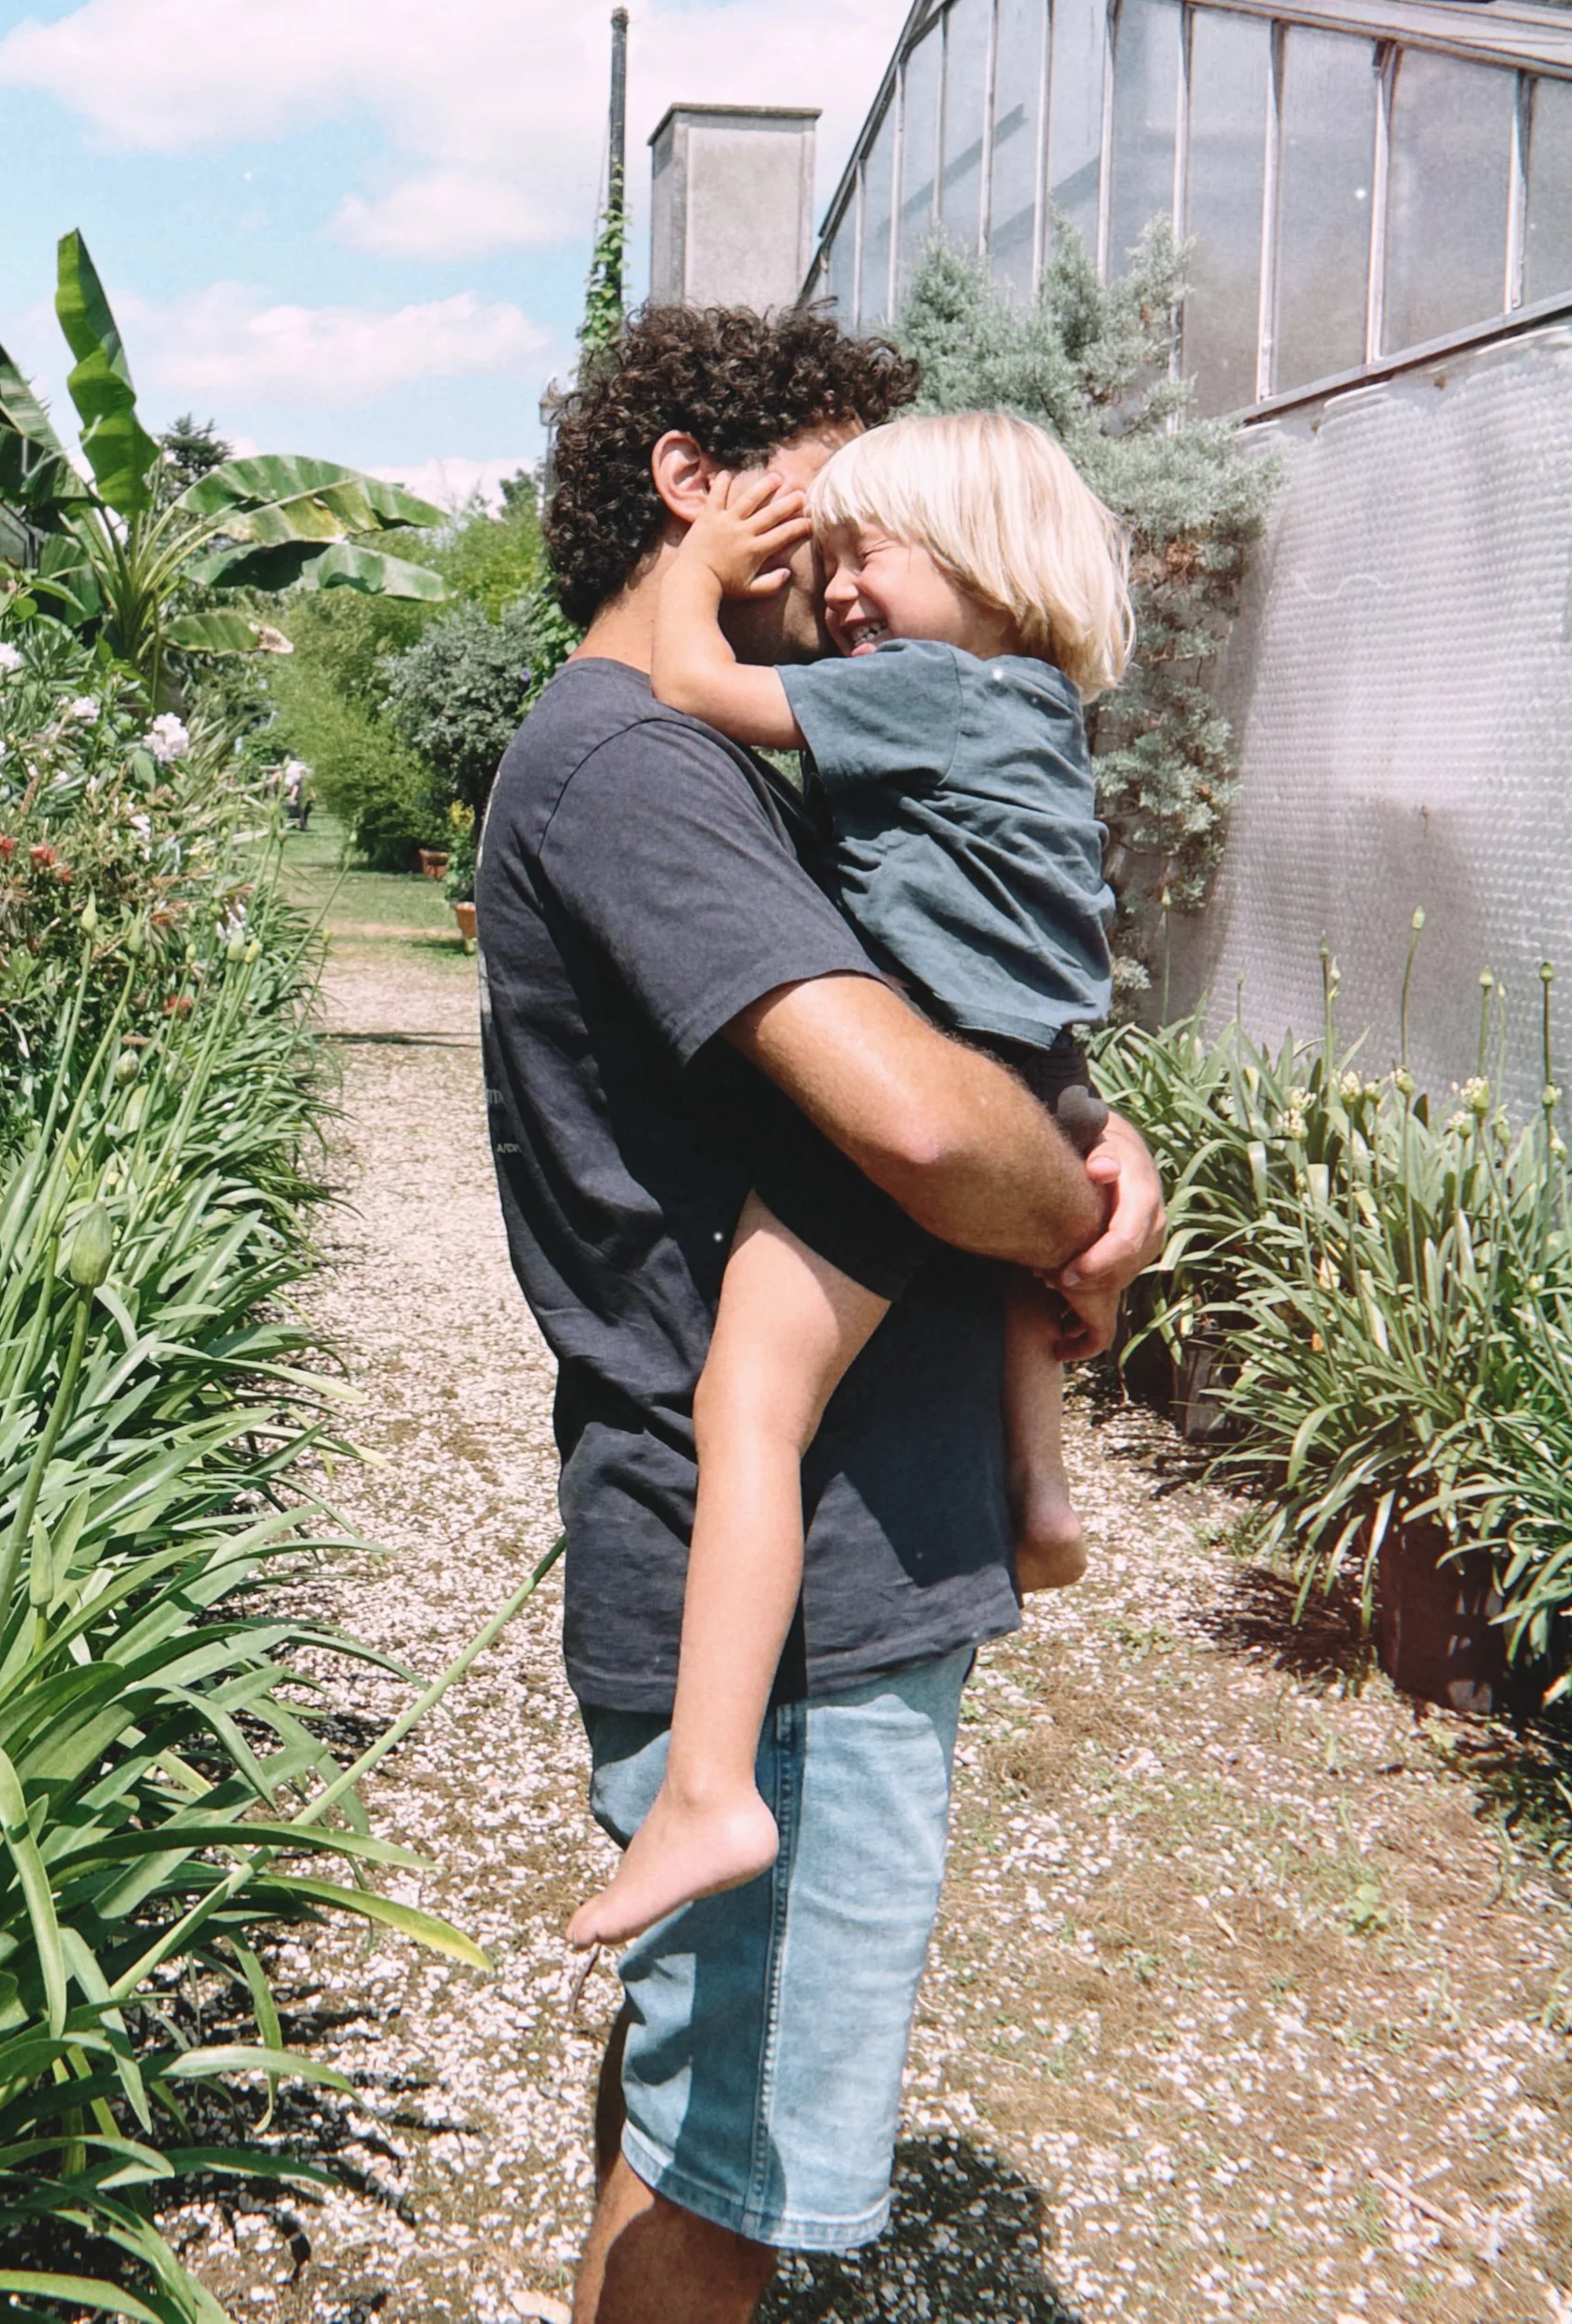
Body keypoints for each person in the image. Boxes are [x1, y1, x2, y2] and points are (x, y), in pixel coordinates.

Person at [473, 305, 1164, 2324]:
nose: (843, 563)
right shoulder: (630, 762)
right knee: (729, 2176)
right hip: (789, 1598)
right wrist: (1062, 1206)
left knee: (715, 2121)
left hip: (846, 1562)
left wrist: (1086, 1143)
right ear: (692, 485)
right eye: (817, 502)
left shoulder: (735, 751)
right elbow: (918, 1127)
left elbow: (952, 1025)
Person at [568, 409, 1134, 1955]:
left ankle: (707, 1790)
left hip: (927, 1080)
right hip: (1024, 1057)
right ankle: (1043, 1491)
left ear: (983, 568)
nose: (841, 591)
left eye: (865, 553)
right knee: (1036, 1281)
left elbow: (686, 685)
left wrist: (697, 563)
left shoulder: (924, 696)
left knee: (749, 1405)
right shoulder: (1037, 711)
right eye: (821, 558)